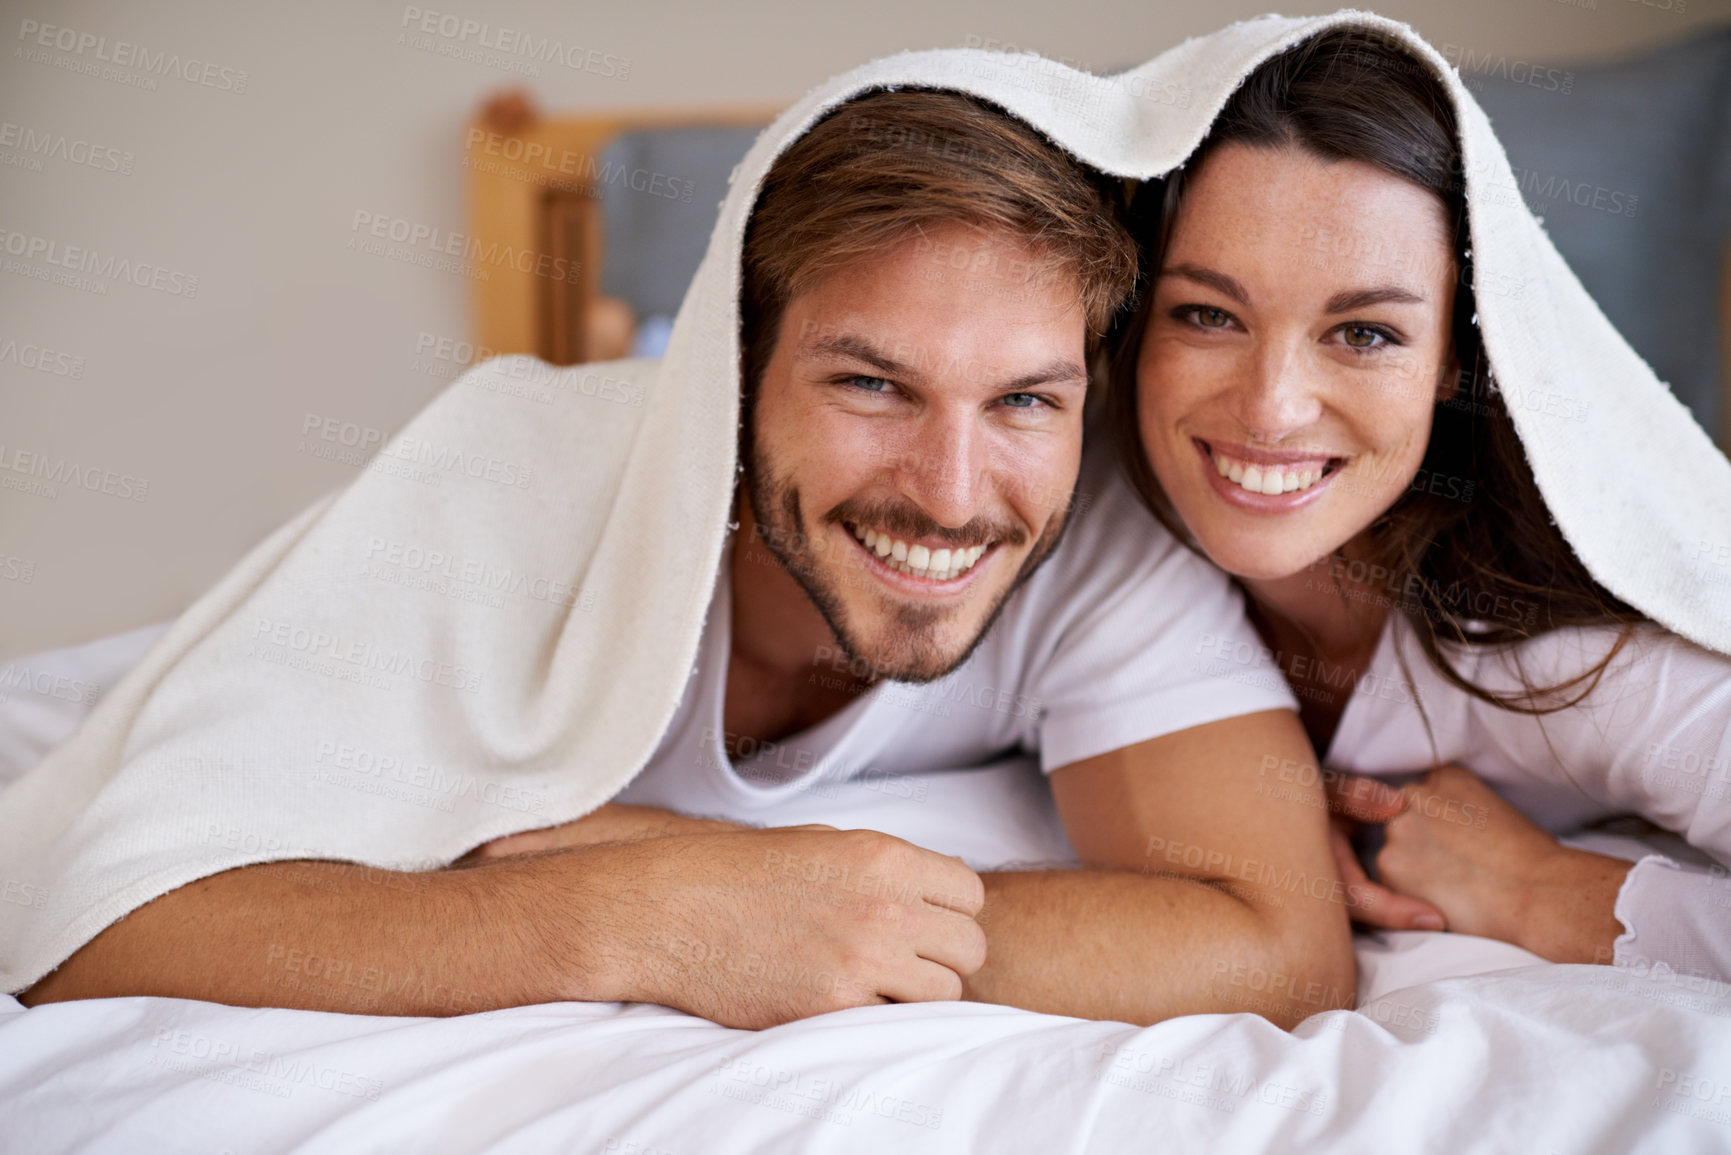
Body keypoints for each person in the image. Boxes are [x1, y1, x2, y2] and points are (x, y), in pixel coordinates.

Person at [11, 87, 1353, 1029]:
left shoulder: (1089, 517)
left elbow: (1276, 944)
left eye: (1020, 398)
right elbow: (93, 920)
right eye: (870, 385)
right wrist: (638, 913)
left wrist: (800, 895)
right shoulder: (508, 478)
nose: (952, 496)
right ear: (730, 372)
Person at [1109, 27, 1731, 979]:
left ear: (1454, 362)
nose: (1271, 406)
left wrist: (1540, 887)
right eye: (1206, 314)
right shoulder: (1071, 529)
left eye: (1361, 333)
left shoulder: (1564, 657)